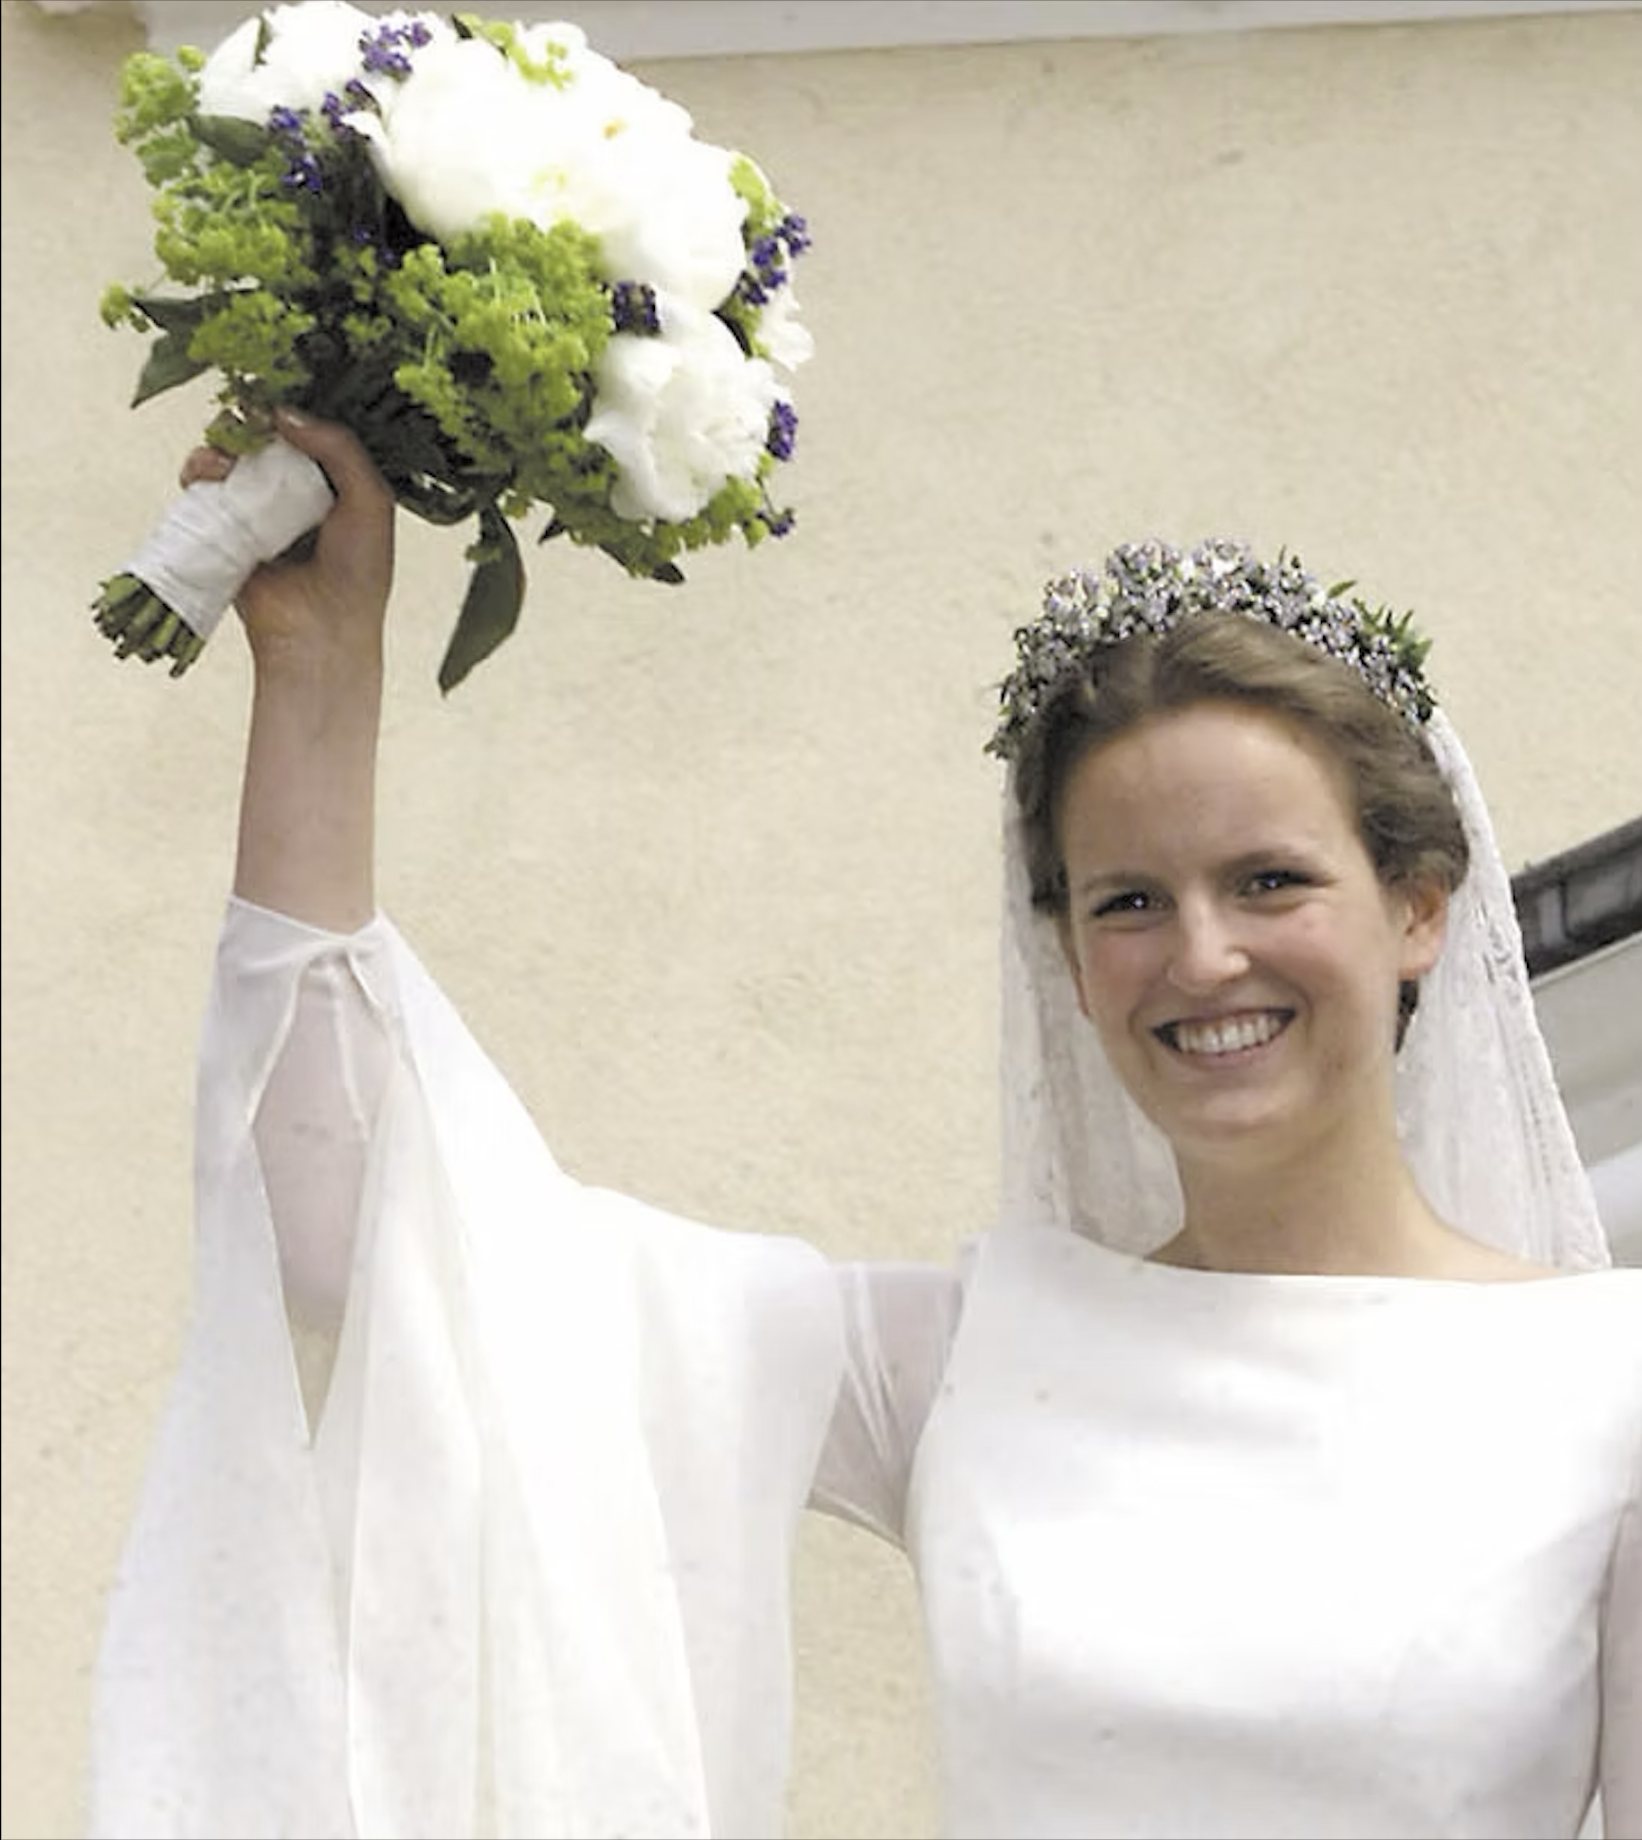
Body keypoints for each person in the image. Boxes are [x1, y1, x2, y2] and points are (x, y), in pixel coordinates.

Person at [90, 409, 1641, 1840]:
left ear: (1420, 909)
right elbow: (349, 1233)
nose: (1201, 956)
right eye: (1126, 902)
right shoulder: (963, 1355)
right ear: (1069, 963)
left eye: (1269, 880)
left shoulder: (1604, 1384)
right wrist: (314, 677)